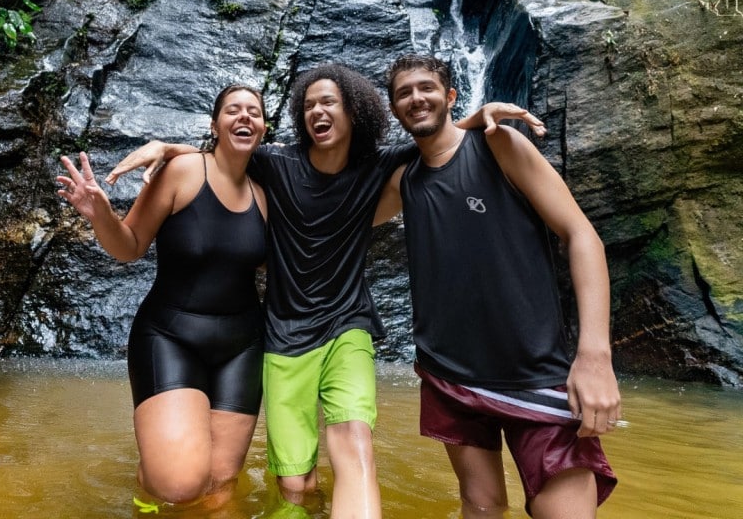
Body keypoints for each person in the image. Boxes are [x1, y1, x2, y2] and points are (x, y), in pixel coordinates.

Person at [106, 63, 544, 519]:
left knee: (355, 443)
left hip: (347, 325)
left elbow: (435, 136)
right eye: (309, 103)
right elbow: (226, 151)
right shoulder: (274, 164)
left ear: (355, 111)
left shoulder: (380, 164)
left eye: (328, 102)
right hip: (282, 335)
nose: (318, 110)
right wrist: (165, 146)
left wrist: (477, 115)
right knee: (295, 484)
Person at [375, 54, 619, 519]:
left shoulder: (497, 143)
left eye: (426, 87)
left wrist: (595, 356)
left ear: (450, 96)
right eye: (403, 93)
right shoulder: (403, 178)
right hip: (450, 374)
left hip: (535, 370)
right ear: (393, 110)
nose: (415, 98)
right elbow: (327, 210)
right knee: (481, 506)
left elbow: (581, 235)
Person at [55, 84, 269, 510]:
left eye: (254, 112)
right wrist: (101, 214)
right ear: (214, 124)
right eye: (233, 111)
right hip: (171, 337)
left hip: (242, 345)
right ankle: (152, 472)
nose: (244, 117)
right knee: (179, 485)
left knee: (219, 487)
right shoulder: (183, 172)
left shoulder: (269, 188)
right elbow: (129, 246)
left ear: (264, 128)